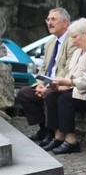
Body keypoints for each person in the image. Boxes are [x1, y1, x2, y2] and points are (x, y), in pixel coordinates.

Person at [16, 8, 77, 144]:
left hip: (62, 85)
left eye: (53, 19)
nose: (49, 23)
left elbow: (68, 69)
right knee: (23, 93)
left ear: (65, 23)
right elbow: (44, 68)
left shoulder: (72, 41)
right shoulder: (50, 42)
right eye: (48, 19)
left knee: (49, 95)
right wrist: (39, 85)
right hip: (48, 84)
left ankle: (52, 133)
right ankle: (43, 129)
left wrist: (48, 86)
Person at [43, 18, 86, 154]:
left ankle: (71, 140)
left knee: (64, 99)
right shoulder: (77, 52)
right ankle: (58, 135)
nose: (74, 41)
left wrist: (68, 84)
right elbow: (70, 74)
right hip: (74, 90)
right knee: (51, 94)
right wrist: (61, 85)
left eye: (75, 37)